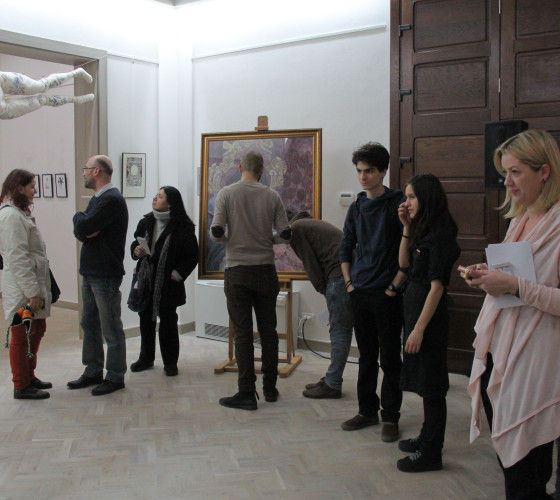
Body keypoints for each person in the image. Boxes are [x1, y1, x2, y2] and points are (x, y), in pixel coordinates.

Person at [465, 129, 560, 499]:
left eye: (516, 172)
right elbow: (515, 277)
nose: (507, 182)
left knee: (526, 472)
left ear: (544, 172)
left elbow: (525, 286)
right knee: (512, 468)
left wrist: (514, 285)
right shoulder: (520, 220)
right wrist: (488, 276)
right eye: (505, 172)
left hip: (536, 359)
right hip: (501, 350)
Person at [211, 151, 290, 410]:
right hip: (266, 270)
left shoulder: (226, 194)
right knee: (269, 331)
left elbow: (217, 234)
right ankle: (270, 388)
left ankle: (246, 392)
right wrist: (266, 238)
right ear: (262, 170)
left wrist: (233, 238)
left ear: (240, 167)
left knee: (243, 333)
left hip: (238, 270)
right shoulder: (272, 195)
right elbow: (284, 235)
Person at [339, 142, 406, 442]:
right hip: (360, 291)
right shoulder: (356, 207)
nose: (363, 177)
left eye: (369, 171)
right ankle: (367, 411)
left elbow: (409, 247)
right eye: (359, 171)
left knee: (390, 358)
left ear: (383, 171)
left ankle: (390, 416)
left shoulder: (398, 203)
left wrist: (394, 287)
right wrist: (349, 283)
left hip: (387, 293)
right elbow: (345, 246)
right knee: (366, 356)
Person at [396, 174, 460, 472]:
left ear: (427, 198)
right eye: (406, 197)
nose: (406, 203)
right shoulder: (423, 229)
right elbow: (404, 265)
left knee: (433, 385)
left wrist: (419, 329)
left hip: (429, 319)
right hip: (415, 311)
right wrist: (406, 228)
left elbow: (437, 287)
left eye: (412, 197)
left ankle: (432, 452)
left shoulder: (442, 235)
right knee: (424, 381)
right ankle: (426, 436)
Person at [68, 155, 129, 396]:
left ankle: (115, 375)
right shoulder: (98, 199)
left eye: (86, 168)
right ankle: (93, 370)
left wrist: (79, 219)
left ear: (96, 171)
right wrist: (83, 224)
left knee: (110, 325)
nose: (83, 172)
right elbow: (84, 230)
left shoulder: (111, 199)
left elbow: (83, 226)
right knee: (89, 323)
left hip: (105, 273)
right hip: (92, 271)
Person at [129, 186, 199, 376]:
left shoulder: (183, 226)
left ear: (170, 203)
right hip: (146, 280)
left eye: (160, 197)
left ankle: (170, 363)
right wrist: (136, 250)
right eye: (156, 195)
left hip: (169, 283)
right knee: (145, 320)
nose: (155, 198)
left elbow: (192, 255)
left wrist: (178, 274)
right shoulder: (146, 221)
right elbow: (136, 243)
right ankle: (146, 358)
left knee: (168, 322)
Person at [288, 211, 353, 398]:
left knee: (340, 330)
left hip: (339, 277)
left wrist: (324, 291)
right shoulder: (310, 224)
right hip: (347, 274)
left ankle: (333, 384)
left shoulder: (295, 229)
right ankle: (332, 378)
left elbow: (311, 265)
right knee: (341, 329)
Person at [0, 169, 52, 399]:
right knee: (22, 335)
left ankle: (29, 376)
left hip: (32, 283)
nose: (35, 190)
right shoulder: (11, 216)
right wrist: (32, 292)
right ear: (19, 188)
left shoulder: (21, 213)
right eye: (31, 186)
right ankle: (21, 385)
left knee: (37, 330)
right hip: (22, 288)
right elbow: (17, 257)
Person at [0, 69, 94, 120]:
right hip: (3, 110)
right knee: (42, 100)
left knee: (40, 86)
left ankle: (76, 72)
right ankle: (75, 100)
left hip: (2, 81)